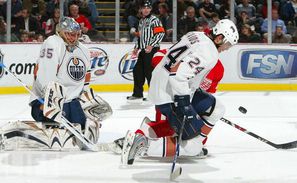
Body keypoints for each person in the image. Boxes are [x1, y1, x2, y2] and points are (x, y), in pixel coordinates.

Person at [121, 19, 239, 165]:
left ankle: (150, 132)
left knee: (217, 108)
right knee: (192, 148)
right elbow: (178, 74)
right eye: (227, 45)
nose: (226, 49)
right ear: (219, 38)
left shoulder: (196, 34)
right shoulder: (210, 53)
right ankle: (144, 144)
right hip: (169, 94)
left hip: (162, 84)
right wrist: (184, 104)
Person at [29, 17, 112, 148]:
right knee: (69, 127)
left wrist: (87, 105)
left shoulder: (83, 50)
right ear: (60, 32)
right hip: (47, 102)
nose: (73, 38)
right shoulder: (52, 43)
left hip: (72, 102)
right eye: (69, 34)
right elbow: (45, 76)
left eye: (76, 34)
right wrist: (48, 102)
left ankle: (81, 121)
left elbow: (86, 79)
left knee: (93, 116)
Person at [126, 1, 165, 102]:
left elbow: (160, 34)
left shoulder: (154, 20)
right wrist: (136, 47)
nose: (146, 10)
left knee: (150, 72)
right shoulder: (141, 21)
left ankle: (153, 95)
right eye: (144, 8)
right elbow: (141, 37)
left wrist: (151, 45)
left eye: (148, 8)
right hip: (143, 50)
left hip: (152, 50)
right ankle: (137, 94)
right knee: (137, 71)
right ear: (140, 9)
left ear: (151, 9)